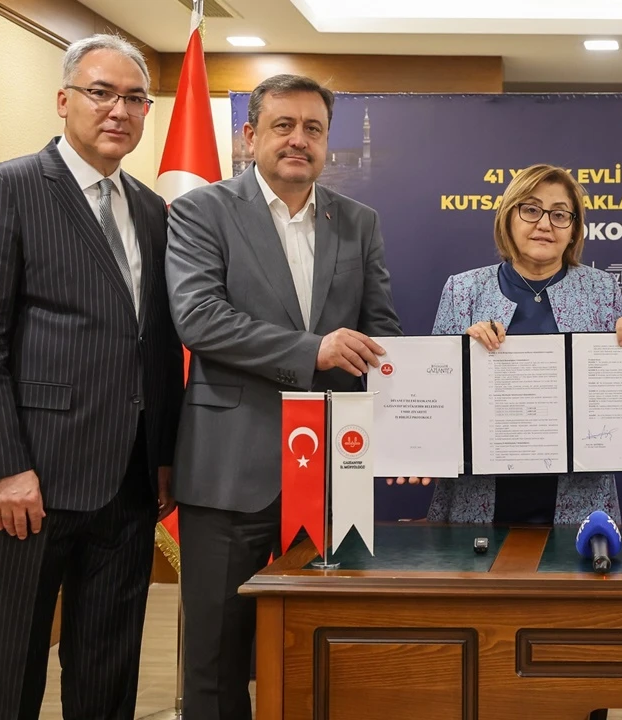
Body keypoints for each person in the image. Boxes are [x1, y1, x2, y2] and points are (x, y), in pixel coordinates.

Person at [0, 34, 182, 720]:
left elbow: (157, 342)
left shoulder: (150, 209)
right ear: (63, 99)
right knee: (12, 655)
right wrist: (3, 468)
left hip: (130, 480)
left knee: (110, 658)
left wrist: (162, 454)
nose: (119, 111)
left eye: (134, 99)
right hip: (33, 477)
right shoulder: (6, 187)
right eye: (100, 93)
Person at [166, 73, 402, 718]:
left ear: (327, 142)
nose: (299, 140)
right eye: (284, 126)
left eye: (314, 129)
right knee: (216, 659)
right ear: (250, 136)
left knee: (326, 647)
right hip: (228, 469)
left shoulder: (359, 222)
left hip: (332, 475)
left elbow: (381, 334)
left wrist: (409, 429)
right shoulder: (201, 210)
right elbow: (199, 319)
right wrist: (313, 351)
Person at [421, 164, 622, 524]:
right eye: (531, 209)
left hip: (578, 500)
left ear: (573, 229)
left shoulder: (602, 290)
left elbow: (616, 403)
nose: (545, 224)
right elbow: (435, 395)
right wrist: (462, 354)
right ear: (508, 218)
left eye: (559, 215)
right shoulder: (463, 290)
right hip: (479, 496)